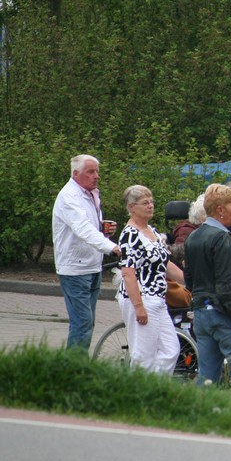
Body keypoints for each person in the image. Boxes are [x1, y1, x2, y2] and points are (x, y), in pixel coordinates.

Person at [184, 184, 231, 386]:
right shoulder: (222, 238)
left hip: (201, 314)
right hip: (224, 315)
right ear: (220, 209)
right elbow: (225, 287)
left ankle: (201, 405)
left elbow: (189, 279)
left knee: (207, 377)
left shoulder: (193, 237)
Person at [52, 154, 121, 351]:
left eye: (97, 171)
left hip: (92, 266)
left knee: (87, 323)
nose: (96, 176)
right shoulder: (69, 197)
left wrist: (103, 229)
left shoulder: (90, 194)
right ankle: (73, 367)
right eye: (90, 172)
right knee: (82, 323)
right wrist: (111, 247)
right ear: (76, 174)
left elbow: (89, 227)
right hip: (75, 270)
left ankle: (77, 364)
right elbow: (82, 228)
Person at [116, 185, 183, 374]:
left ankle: (155, 384)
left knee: (171, 349)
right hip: (142, 297)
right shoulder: (130, 235)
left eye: (152, 202)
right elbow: (128, 273)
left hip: (158, 298)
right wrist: (138, 307)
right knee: (143, 354)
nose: (150, 206)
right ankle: (139, 387)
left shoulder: (151, 230)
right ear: (131, 207)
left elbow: (164, 264)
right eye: (145, 203)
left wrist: (188, 281)